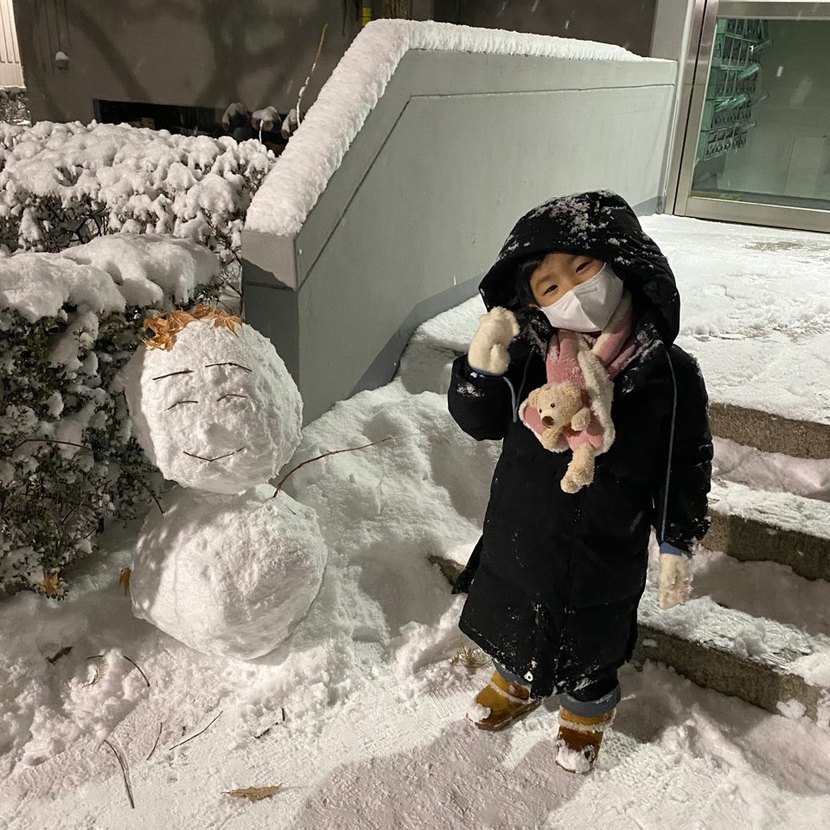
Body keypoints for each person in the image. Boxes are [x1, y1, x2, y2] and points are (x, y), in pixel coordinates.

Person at [447, 191, 712, 774]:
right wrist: (479, 373)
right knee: (517, 617)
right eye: (549, 286)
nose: (571, 290)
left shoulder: (669, 373)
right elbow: (480, 421)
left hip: (607, 540)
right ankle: (516, 680)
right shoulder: (529, 355)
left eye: (583, 268)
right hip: (524, 528)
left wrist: (676, 541)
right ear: (535, 303)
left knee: (594, 638)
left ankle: (585, 712)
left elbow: (683, 464)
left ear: (621, 262)